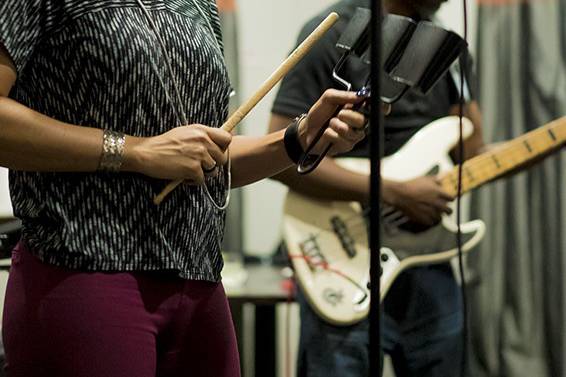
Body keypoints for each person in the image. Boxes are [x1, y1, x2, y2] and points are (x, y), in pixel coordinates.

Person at [0, 1, 368, 376]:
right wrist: (136, 151)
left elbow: (208, 158)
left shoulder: (197, 5)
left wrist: (299, 138)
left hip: (199, 279)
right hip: (85, 267)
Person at [269, 0, 484, 376]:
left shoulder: (448, 51)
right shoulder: (331, 31)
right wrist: (392, 193)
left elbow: (472, 150)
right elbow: (281, 152)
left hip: (427, 259)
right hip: (343, 253)